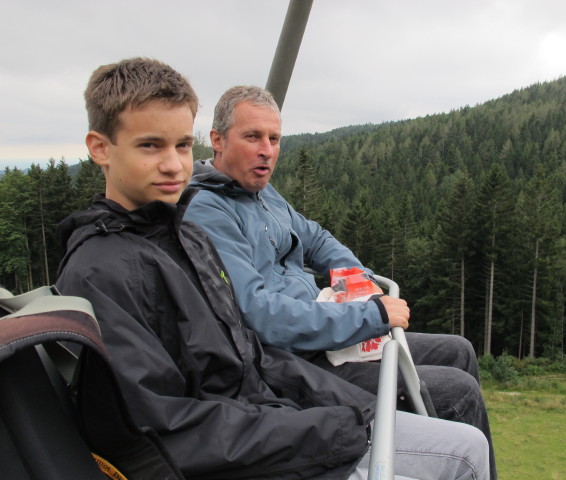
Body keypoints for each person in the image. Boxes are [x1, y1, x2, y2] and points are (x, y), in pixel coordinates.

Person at [56, 58, 490, 480]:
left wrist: (349, 400)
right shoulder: (116, 267)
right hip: (262, 434)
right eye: (151, 145)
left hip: (274, 407)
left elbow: (245, 353)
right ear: (100, 148)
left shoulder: (186, 234)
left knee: (458, 384)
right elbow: (162, 427)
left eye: (182, 145)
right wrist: (332, 421)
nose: (173, 165)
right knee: (466, 447)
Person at [184, 86, 498, 479]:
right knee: (459, 390)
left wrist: (359, 281)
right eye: (252, 137)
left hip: (329, 330)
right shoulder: (209, 210)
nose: (267, 150)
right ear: (217, 140)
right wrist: (367, 315)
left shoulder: (261, 193)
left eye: (274, 138)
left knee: (460, 351)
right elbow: (259, 314)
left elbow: (315, 237)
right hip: (296, 360)